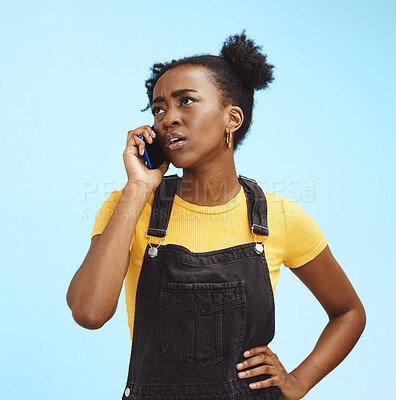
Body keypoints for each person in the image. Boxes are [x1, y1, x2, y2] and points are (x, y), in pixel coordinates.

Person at [66, 30, 366, 400]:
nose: (167, 119)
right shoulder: (127, 206)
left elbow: (349, 312)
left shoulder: (279, 217)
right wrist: (138, 188)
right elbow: (89, 312)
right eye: (158, 108)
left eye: (185, 102)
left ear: (232, 118)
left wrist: (299, 381)